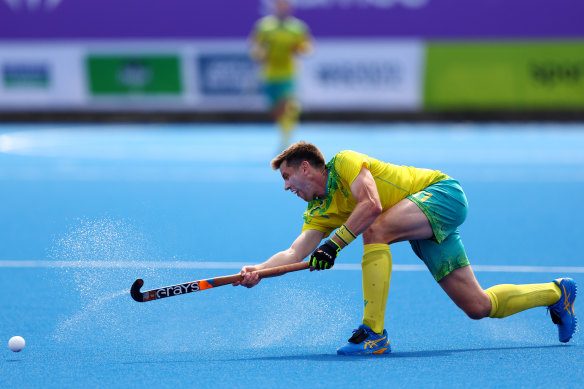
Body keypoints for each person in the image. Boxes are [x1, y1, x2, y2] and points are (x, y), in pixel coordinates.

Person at [233, 141, 578, 355]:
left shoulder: (344, 163)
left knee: (375, 227)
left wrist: (334, 245)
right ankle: (556, 294)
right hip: (419, 224)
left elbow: (370, 205)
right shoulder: (318, 211)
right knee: (477, 305)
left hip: (442, 195)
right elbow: (295, 253)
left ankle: (374, 334)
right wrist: (258, 272)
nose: (286, 187)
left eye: (287, 178)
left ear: (305, 168)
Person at [249, 0, 313, 152]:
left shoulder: (297, 28)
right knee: (276, 111)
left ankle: (285, 142)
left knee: (287, 106)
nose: (282, 7)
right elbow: (254, 48)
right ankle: (287, 122)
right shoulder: (264, 27)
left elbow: (308, 48)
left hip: (288, 73)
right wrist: (259, 54)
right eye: (279, 4)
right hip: (269, 75)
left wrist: (300, 48)